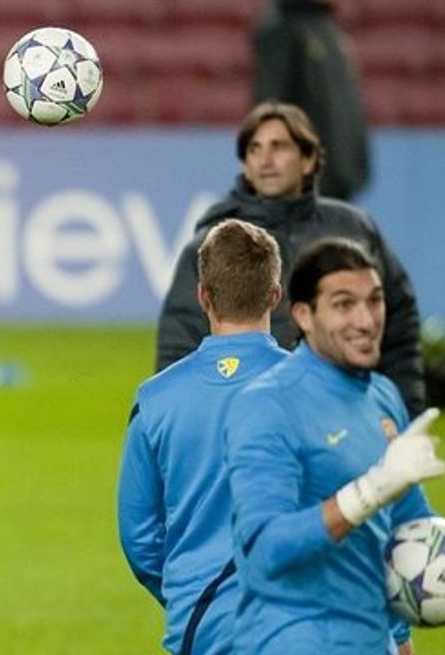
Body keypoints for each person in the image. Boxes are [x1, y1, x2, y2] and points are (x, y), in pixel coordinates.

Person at [225, 238, 445, 655]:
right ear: (304, 316)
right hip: (293, 648)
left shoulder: (382, 396)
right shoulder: (268, 405)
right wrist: (366, 492)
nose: (366, 320)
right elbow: (265, 548)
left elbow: (407, 515)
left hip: (371, 647)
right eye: (344, 304)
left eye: (375, 301)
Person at [156, 101, 425, 418]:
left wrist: (407, 411)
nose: (265, 160)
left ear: (309, 159)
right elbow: (179, 344)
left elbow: (399, 327)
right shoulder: (215, 243)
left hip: (347, 413)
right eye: (254, 150)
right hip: (249, 419)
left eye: (278, 147)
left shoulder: (354, 228)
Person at [118, 219, 289, 655]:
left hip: (202, 627)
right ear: (275, 295)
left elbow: (138, 539)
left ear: (203, 297)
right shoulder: (314, 390)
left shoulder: (155, 400)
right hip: (299, 625)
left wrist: (188, 590)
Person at [252, 0, 369, 202]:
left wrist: (353, 165)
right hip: (305, 182)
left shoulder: (329, 28)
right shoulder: (282, 26)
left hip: (337, 176)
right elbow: (271, 105)